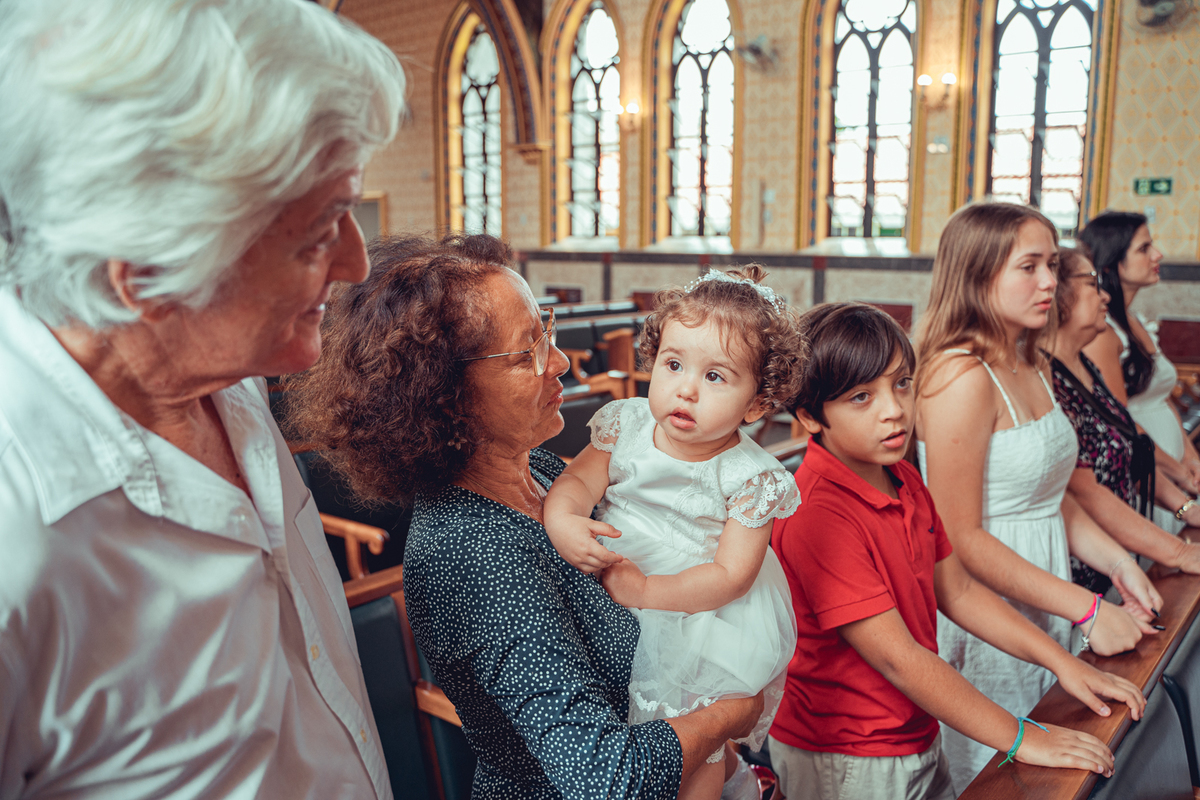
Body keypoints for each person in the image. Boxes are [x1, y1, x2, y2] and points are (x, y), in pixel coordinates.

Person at [0, 1, 406, 797]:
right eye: (323, 228)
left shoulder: (224, 373)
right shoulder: (22, 528)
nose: (358, 263)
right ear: (149, 273)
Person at [285, 235, 764, 799]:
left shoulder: (535, 465)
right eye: (527, 352)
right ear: (444, 394)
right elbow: (603, 778)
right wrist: (734, 713)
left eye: (549, 331)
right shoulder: (475, 553)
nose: (560, 362)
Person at [769, 303, 1144, 800]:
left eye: (902, 383)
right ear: (810, 416)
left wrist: (1064, 663)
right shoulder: (818, 513)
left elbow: (960, 590)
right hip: (848, 754)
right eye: (862, 397)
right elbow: (899, 659)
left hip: (914, 728)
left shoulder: (900, 475)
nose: (894, 409)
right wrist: (1021, 738)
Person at [914, 202, 1161, 792]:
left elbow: (1054, 494)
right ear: (977, 274)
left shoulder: (1028, 357)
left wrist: (1119, 564)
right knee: (1006, 774)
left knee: (1066, 748)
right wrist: (1085, 607)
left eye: (1052, 263)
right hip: (986, 598)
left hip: (1044, 575)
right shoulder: (959, 376)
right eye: (1029, 266)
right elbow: (960, 536)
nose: (1050, 281)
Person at [543, 266, 804, 800]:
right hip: (614, 574)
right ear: (653, 360)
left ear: (756, 404)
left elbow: (732, 576)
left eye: (715, 377)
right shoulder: (626, 425)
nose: (686, 388)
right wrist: (563, 520)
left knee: (693, 746)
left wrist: (647, 592)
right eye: (674, 363)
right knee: (620, 724)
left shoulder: (751, 477)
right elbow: (574, 482)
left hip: (698, 607)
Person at [1045, 246, 1200, 594]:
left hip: (1113, 554)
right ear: (1060, 296)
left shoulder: (1086, 369)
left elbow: (1129, 451)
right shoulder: (1050, 380)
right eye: (1092, 284)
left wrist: (1186, 507)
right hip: (1083, 564)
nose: (1104, 295)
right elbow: (1085, 491)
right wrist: (1177, 551)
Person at [1080, 211, 1200, 534]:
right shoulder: (1103, 333)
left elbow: (1161, 396)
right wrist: (1175, 471)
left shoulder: (1136, 319)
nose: (1157, 255)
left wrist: (1190, 456)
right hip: (1146, 472)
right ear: (1112, 262)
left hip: (1171, 465)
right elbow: (1121, 421)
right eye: (1144, 248)